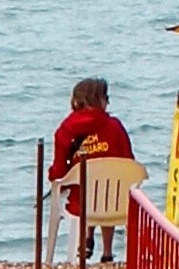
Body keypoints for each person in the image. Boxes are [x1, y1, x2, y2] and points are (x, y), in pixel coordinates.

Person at [49, 77, 133, 259]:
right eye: (106, 98)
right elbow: (129, 162)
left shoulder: (65, 130)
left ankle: (86, 238)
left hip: (81, 204)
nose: (108, 102)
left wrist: (56, 181)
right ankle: (108, 252)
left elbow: (58, 171)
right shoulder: (115, 127)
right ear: (98, 100)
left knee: (86, 186)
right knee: (109, 189)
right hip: (114, 204)